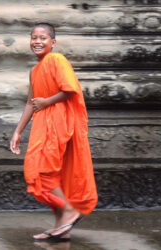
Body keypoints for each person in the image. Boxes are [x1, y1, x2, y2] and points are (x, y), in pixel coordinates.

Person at [10, 23, 97, 241]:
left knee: (44, 171)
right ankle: (61, 226)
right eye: (33, 38)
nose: (37, 42)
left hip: (59, 121)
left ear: (53, 42)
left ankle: (69, 211)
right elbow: (31, 102)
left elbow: (70, 90)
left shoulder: (57, 60)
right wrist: (18, 131)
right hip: (42, 123)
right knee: (42, 174)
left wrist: (47, 101)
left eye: (43, 38)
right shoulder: (34, 70)